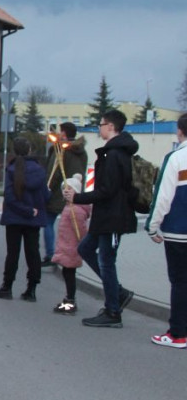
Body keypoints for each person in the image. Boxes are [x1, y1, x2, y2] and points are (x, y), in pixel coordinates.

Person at [64, 109, 139, 328]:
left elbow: (107, 190)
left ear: (111, 127)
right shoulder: (113, 152)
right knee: (85, 249)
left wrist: (77, 197)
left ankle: (113, 311)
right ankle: (118, 292)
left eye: (101, 123)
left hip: (114, 217)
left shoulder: (115, 154)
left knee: (107, 262)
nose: (99, 127)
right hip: (105, 216)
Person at [145, 113, 187, 347]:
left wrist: (152, 227)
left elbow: (163, 197)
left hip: (179, 232)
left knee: (180, 282)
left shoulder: (176, 157)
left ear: (180, 131)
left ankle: (178, 334)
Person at [0, 137, 49, 301]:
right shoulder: (39, 170)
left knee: (13, 253)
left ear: (14, 151)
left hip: (15, 217)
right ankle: (31, 289)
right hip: (34, 217)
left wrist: (24, 210)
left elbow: (10, 197)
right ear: (30, 150)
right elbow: (45, 196)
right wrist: (33, 210)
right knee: (33, 253)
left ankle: (7, 286)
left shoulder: (12, 169)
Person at [42, 122, 88, 266]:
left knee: (48, 222)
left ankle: (51, 254)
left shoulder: (62, 150)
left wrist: (47, 189)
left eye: (60, 131)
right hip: (74, 191)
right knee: (71, 223)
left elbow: (53, 173)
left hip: (57, 193)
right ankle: (73, 251)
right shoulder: (81, 151)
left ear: (64, 134)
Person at [51, 174, 91, 315]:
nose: (64, 192)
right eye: (63, 189)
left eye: (68, 189)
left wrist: (82, 242)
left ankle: (70, 302)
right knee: (67, 274)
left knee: (69, 274)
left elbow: (81, 231)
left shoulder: (75, 210)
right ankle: (68, 299)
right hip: (66, 246)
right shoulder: (70, 207)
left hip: (71, 248)